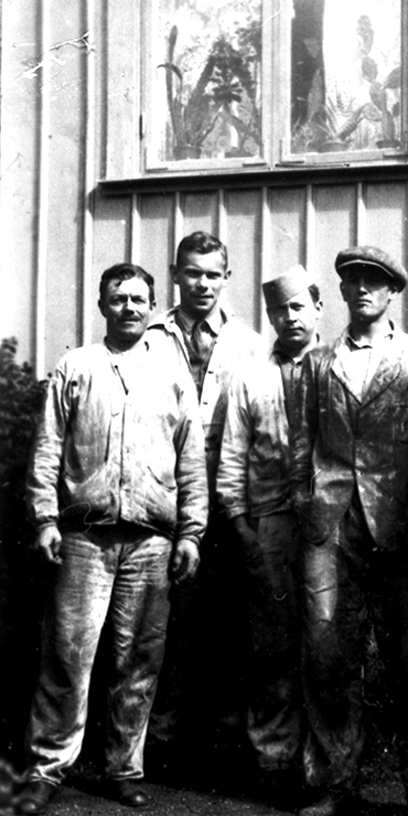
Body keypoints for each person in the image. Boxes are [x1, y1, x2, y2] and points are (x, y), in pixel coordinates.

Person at [16, 264, 208, 816]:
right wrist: (45, 519)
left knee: (138, 660)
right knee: (67, 655)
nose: (130, 307)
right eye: (119, 298)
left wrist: (191, 533)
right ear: (102, 305)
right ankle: (46, 769)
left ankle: (123, 768)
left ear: (152, 307)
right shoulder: (77, 366)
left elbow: (192, 460)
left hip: (151, 541)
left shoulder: (172, 372)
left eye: (140, 299)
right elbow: (47, 449)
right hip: (85, 538)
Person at [291, 245, 408, 816]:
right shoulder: (318, 363)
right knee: (327, 653)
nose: (362, 289)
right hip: (332, 523)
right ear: (341, 291)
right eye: (353, 280)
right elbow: (301, 444)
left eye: (375, 281)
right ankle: (336, 780)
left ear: (393, 292)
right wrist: (307, 505)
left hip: (402, 522)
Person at [147, 231, 265, 759]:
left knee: (228, 621)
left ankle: (224, 741)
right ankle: (161, 737)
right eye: (192, 273)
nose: (202, 284)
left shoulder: (249, 343)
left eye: (213, 274)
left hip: (228, 500)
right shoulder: (152, 337)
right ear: (175, 275)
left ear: (227, 278)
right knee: (163, 621)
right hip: (162, 498)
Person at [216, 266, 324, 805]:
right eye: (280, 310)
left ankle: (322, 765)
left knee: (325, 643)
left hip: (326, 522)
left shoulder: (335, 367)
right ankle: (274, 758)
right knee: (272, 644)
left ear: (318, 308)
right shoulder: (249, 377)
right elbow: (231, 459)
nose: (290, 318)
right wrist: (242, 527)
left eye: (298, 307)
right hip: (270, 522)